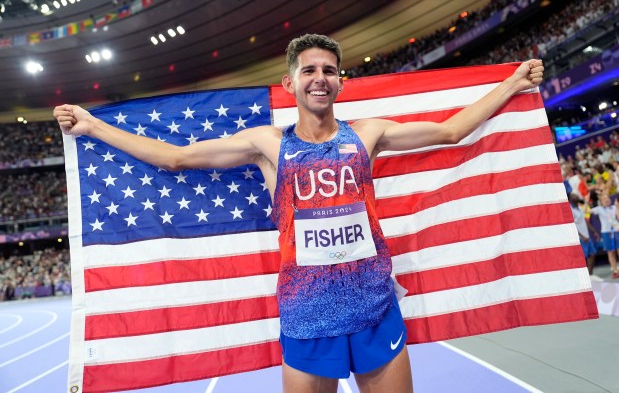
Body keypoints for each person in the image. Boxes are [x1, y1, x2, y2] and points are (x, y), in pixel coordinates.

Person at [54, 34, 544, 393]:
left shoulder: (367, 134)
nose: (320, 78)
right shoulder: (268, 145)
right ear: (290, 83)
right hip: (307, 314)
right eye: (309, 70)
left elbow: (451, 131)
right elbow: (175, 157)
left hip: (374, 305)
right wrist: (94, 126)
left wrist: (513, 83)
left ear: (340, 82)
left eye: (329, 70)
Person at [568, 193, 600, 280]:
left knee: (592, 254)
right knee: (583, 258)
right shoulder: (570, 209)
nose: (577, 196)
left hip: (586, 235)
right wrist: (581, 236)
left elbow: (585, 221)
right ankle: (584, 278)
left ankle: (590, 275)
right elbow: (572, 225)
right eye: (574, 196)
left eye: (576, 195)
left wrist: (594, 231)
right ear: (569, 199)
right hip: (579, 238)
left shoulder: (579, 207)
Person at [590, 194, 619, 279]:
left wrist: (617, 207)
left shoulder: (614, 207)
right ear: (601, 202)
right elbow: (587, 212)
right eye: (604, 199)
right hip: (606, 232)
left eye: (607, 198)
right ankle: (615, 270)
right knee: (610, 252)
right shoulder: (599, 209)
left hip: (616, 230)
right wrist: (587, 201)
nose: (606, 200)